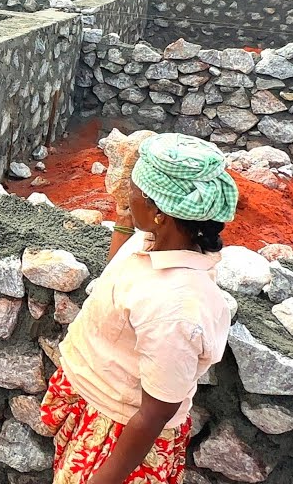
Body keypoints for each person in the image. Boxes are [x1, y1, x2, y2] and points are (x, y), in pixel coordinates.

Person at [41, 133, 238, 484]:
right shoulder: (158, 242)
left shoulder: (177, 309)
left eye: (134, 190)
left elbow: (154, 414)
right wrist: (122, 212)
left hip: (119, 439)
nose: (128, 194)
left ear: (160, 212)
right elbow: (119, 271)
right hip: (99, 407)